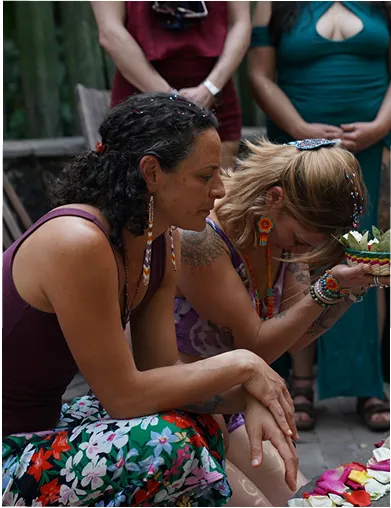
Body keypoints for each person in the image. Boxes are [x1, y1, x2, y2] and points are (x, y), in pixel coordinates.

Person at [2, 93, 300, 507]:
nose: (219, 189)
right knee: (169, 442)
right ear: (152, 172)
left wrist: (250, 396)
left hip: (46, 432)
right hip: (10, 453)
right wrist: (244, 364)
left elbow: (161, 372)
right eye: (204, 176)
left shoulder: (162, 239)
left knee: (201, 416)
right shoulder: (78, 241)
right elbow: (124, 397)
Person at [175, 137, 390, 507]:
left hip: (232, 403)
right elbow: (257, 345)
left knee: (306, 501)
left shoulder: (277, 235)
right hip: (177, 407)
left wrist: (349, 289)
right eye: (302, 239)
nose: (303, 251)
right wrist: (329, 286)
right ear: (275, 198)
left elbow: (294, 337)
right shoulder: (201, 239)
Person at [247, 0, 391, 431]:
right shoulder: (272, 3)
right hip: (300, 149)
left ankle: (368, 381)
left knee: (371, 256)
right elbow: (258, 75)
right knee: (301, 253)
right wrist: (301, 130)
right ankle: (302, 380)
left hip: (371, 147)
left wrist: (381, 125)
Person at [92, 0, 251, 170]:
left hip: (213, 98)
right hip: (141, 102)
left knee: (217, 190)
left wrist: (211, 86)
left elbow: (241, 23)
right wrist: (169, 96)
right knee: (137, 189)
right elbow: (110, 30)